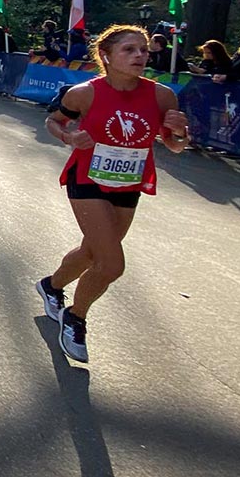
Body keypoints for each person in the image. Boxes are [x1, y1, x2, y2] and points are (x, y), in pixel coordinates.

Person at [36, 25, 191, 363]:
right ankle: (75, 317)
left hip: (129, 182)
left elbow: (175, 145)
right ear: (106, 56)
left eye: (144, 50)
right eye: (130, 50)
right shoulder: (84, 93)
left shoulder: (162, 96)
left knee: (92, 253)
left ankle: (51, 286)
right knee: (112, 264)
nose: (140, 56)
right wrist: (68, 138)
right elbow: (54, 121)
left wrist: (180, 133)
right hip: (87, 179)